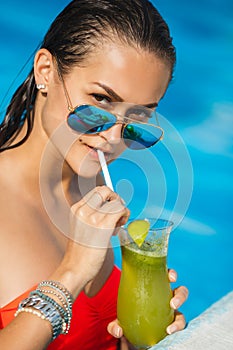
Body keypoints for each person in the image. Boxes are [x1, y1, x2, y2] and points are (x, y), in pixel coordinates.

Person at [0, 0, 189, 349]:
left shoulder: (90, 179)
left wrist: (141, 332)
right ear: (45, 71)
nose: (114, 138)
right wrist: (71, 272)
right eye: (100, 100)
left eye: (138, 116)